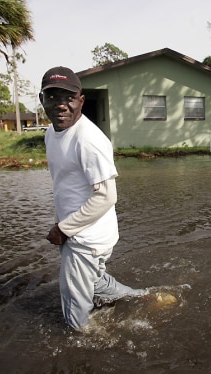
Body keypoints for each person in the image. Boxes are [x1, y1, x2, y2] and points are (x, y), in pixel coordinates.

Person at [41, 66, 145, 330]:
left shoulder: (88, 140)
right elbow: (64, 185)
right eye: (52, 97)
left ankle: (83, 343)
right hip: (81, 230)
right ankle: (142, 298)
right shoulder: (51, 134)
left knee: (74, 311)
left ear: (80, 101)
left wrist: (63, 228)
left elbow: (107, 196)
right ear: (42, 101)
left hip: (85, 236)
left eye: (68, 98)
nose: (61, 105)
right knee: (96, 282)